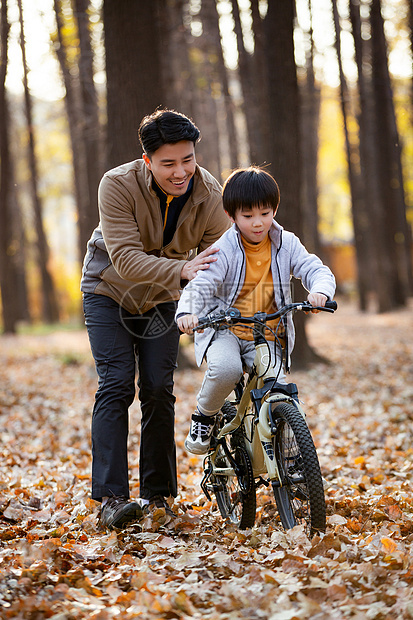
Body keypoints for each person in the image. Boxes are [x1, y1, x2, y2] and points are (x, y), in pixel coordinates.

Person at [81, 109, 230, 529]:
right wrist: (183, 270)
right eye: (168, 163)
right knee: (115, 384)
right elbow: (125, 259)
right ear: (147, 160)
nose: (181, 171)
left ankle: (158, 495)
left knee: (159, 390)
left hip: (163, 297)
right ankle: (111, 500)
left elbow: (221, 255)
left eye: (188, 159)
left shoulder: (208, 193)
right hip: (108, 291)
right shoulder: (116, 184)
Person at [176, 166, 336, 455]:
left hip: (265, 332)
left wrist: (320, 290)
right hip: (226, 330)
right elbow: (200, 285)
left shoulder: (286, 243)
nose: (258, 223)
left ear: (275, 209)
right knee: (226, 369)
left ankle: (291, 460)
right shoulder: (223, 249)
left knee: (280, 392)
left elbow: (313, 268)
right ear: (232, 216)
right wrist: (187, 313)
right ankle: (204, 416)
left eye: (265, 213)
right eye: (248, 216)